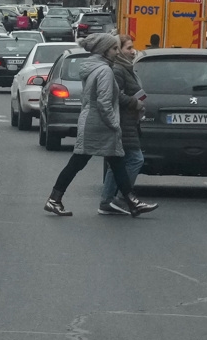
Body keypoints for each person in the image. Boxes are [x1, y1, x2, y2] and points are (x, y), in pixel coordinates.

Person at [43, 33, 142, 217]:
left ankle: (132, 201)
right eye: (113, 49)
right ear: (105, 50)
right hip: (98, 124)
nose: (116, 52)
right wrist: (115, 124)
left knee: (116, 161)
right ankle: (54, 199)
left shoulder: (94, 67)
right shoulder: (104, 70)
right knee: (79, 162)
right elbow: (104, 102)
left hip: (92, 121)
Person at [100, 35, 158, 216]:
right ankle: (118, 198)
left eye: (133, 48)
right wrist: (134, 103)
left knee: (118, 162)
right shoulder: (118, 69)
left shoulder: (127, 68)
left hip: (129, 121)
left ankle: (108, 200)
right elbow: (114, 95)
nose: (133, 51)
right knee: (135, 159)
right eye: (128, 48)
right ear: (118, 51)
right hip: (123, 121)